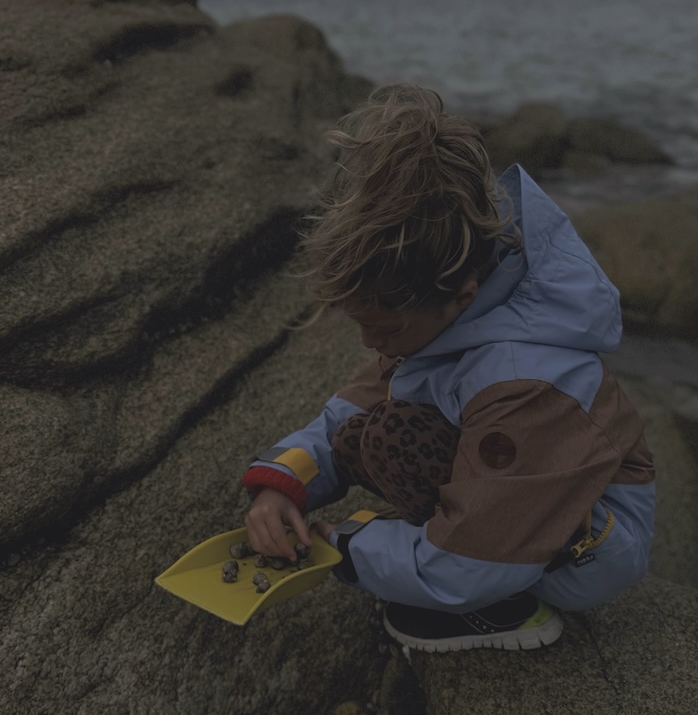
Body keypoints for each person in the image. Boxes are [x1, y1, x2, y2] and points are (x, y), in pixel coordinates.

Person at [242, 85, 655, 653]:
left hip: (584, 547)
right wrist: (282, 484)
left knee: (394, 437)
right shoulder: (445, 316)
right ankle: (449, 553)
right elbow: (347, 413)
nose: (369, 342)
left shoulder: (527, 381)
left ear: (461, 296)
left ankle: (500, 609)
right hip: (510, 492)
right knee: (374, 427)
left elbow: (474, 558)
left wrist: (345, 549)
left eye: (384, 330)